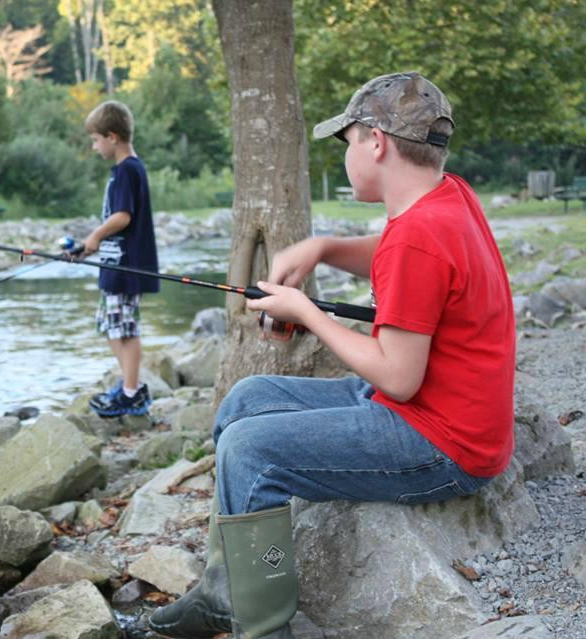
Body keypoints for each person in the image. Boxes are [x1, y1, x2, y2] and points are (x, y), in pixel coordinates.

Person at [148, 72, 516, 639]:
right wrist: (321, 247)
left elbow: (397, 377)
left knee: (249, 449)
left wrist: (309, 313)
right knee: (246, 400)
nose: (346, 157)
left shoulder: (420, 233)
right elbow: (398, 256)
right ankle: (226, 588)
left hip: (444, 442)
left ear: (376, 141)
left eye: (345, 143)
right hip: (433, 411)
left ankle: (262, 623)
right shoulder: (447, 197)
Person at [80, 100, 160, 418]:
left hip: (126, 268)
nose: (93, 145)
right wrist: (87, 246)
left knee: (125, 329)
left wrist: (97, 235)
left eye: (96, 139)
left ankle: (131, 392)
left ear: (113, 137)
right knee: (111, 326)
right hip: (114, 264)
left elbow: (123, 217)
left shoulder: (128, 170)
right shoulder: (124, 170)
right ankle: (130, 385)